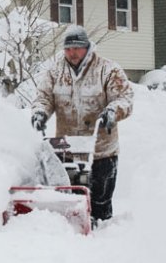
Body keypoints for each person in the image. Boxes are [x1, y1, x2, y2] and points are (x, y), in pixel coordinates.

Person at [31, 25, 134, 226]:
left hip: (101, 151)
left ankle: (102, 240)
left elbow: (125, 97)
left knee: (100, 205)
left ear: (87, 47)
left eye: (77, 48)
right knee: (70, 202)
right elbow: (43, 97)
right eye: (68, 49)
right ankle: (72, 239)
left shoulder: (107, 69)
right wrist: (40, 112)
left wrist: (113, 111)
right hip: (67, 150)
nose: (72, 53)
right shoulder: (55, 72)